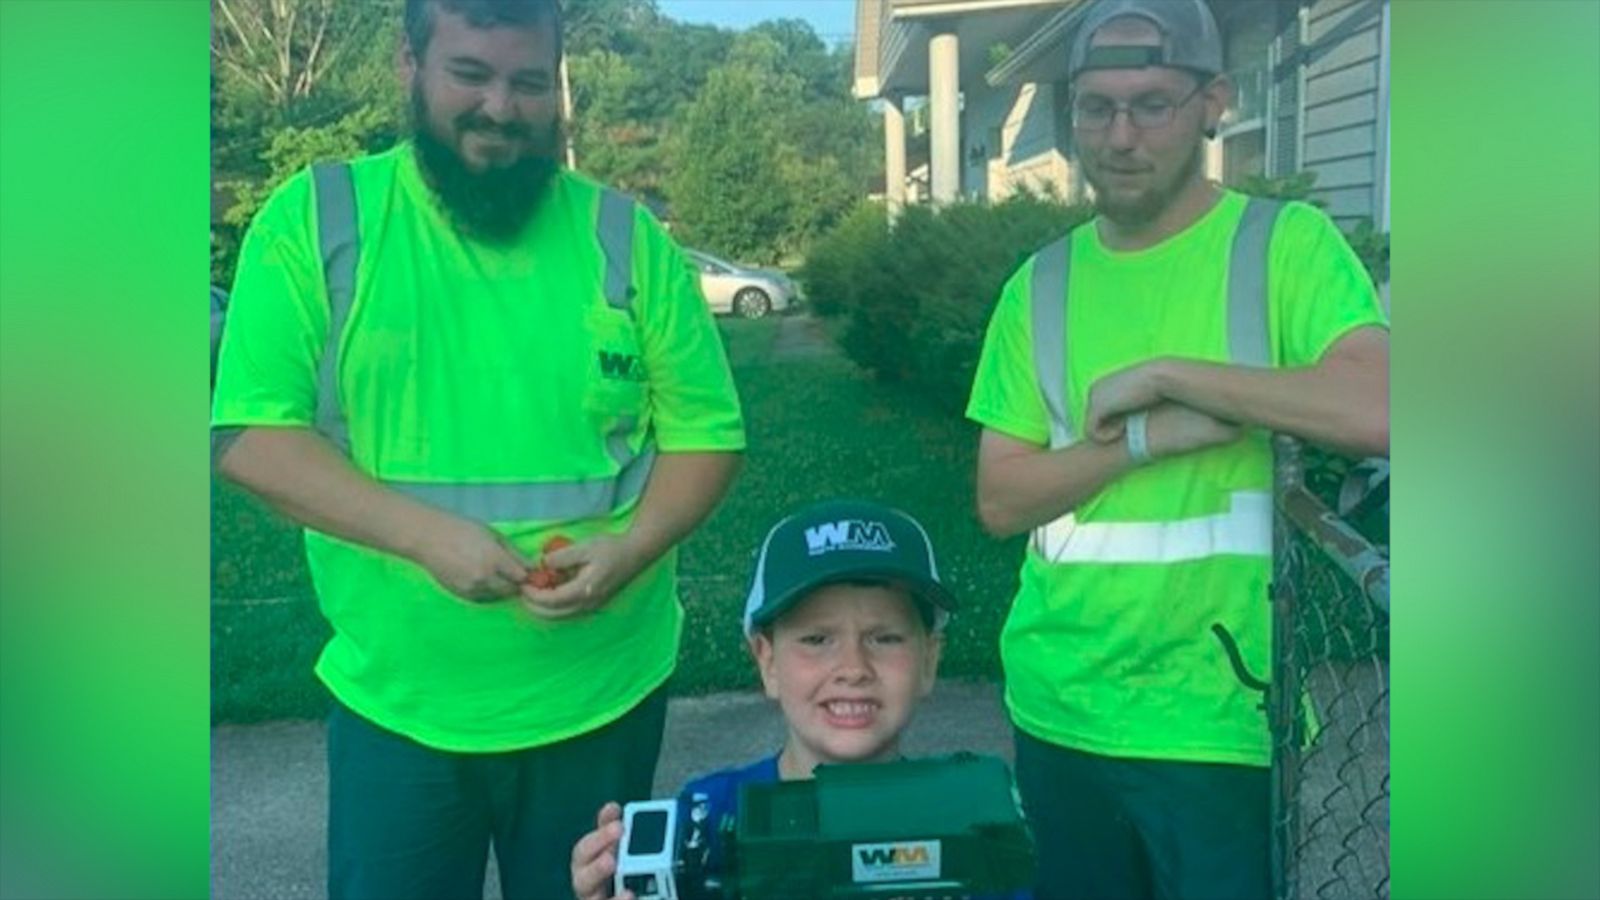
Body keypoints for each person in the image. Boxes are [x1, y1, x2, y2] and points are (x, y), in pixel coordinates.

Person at [209, 0, 744, 897]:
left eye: (528, 83)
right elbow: (251, 438)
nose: (501, 108)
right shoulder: (318, 217)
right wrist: (426, 537)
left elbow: (709, 438)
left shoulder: (624, 236)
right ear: (407, 63)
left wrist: (627, 549)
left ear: (557, 83)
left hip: (600, 696)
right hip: (400, 707)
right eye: (470, 75)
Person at [964, 0, 1390, 897]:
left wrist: (1174, 375)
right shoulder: (1035, 286)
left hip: (1218, 716)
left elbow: (1383, 406)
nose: (1120, 136)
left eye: (1152, 104)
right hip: (1060, 705)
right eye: (1095, 107)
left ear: (1214, 102)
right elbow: (1002, 501)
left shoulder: (1283, 246)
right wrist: (1149, 441)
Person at [569, 499, 960, 900]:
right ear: (767, 660)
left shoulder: (972, 820)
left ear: (929, 659)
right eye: (817, 639)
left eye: (885, 638)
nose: (853, 667)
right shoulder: (707, 819)